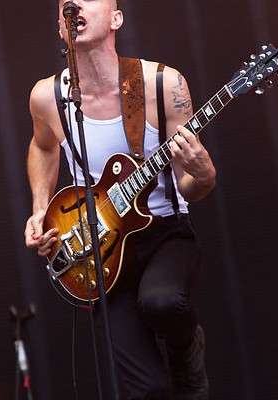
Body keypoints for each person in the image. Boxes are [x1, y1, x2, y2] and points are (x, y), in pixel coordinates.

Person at [24, 0, 216, 399]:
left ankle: (188, 351)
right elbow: (43, 147)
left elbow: (190, 187)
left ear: (116, 18)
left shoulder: (163, 84)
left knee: (162, 303)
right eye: (65, 4)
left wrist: (204, 174)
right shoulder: (48, 97)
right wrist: (40, 208)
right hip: (98, 249)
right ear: (60, 27)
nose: (74, 6)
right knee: (147, 391)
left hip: (163, 230)